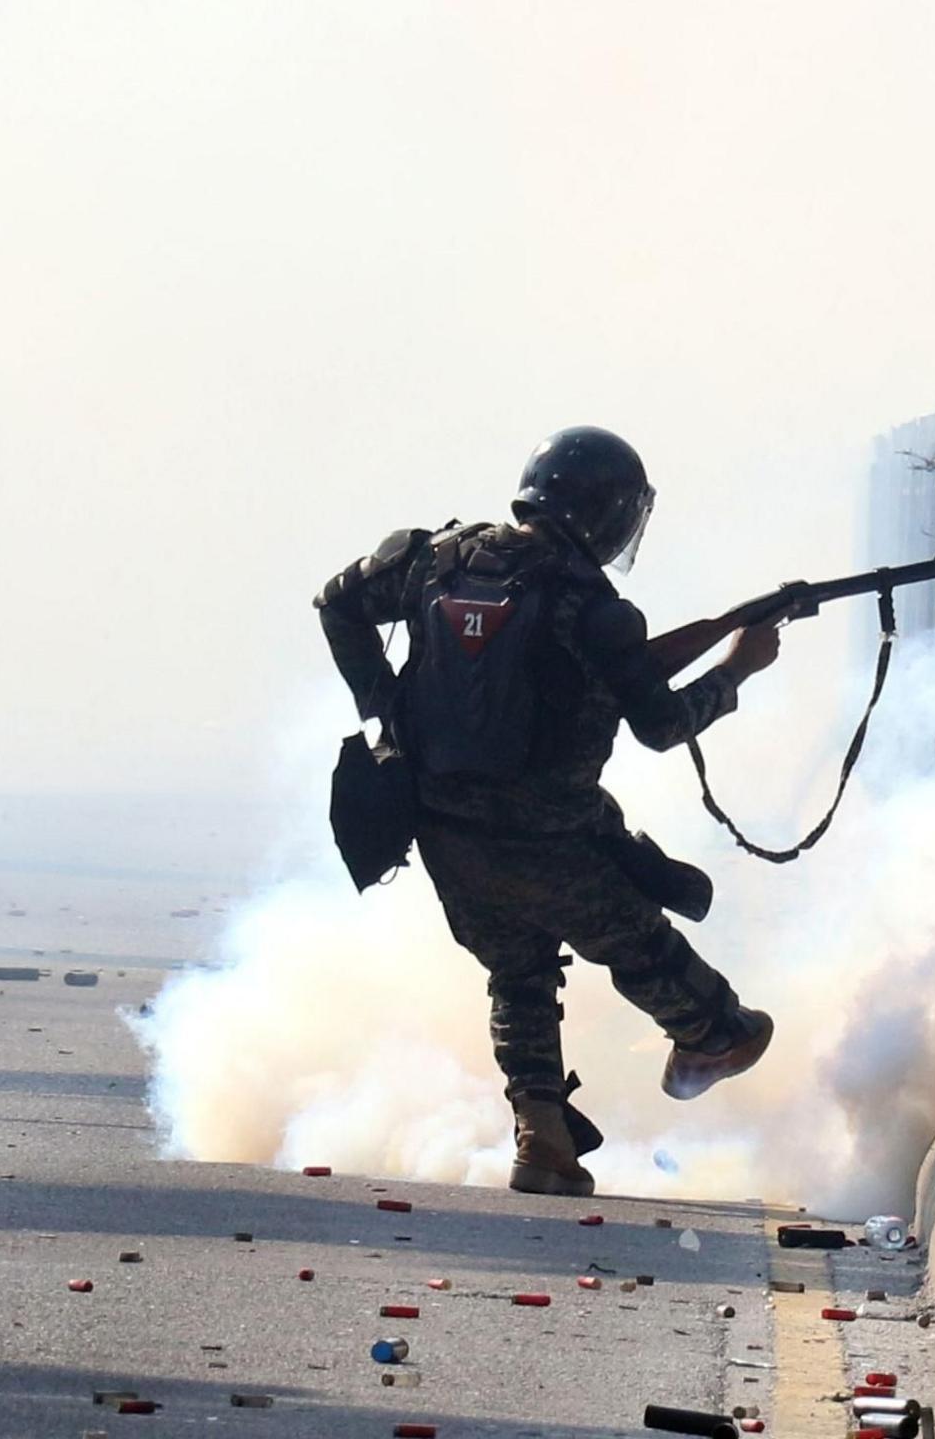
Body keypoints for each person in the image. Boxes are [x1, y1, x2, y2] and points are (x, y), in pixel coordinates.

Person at [313, 425, 778, 1196]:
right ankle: (710, 1034)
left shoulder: (438, 559)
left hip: (443, 827)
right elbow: (661, 726)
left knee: (518, 972)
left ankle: (542, 1137)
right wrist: (736, 671)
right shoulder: (593, 606)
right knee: (640, 943)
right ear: (611, 516)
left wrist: (387, 708)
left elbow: (338, 604)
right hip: (550, 835)